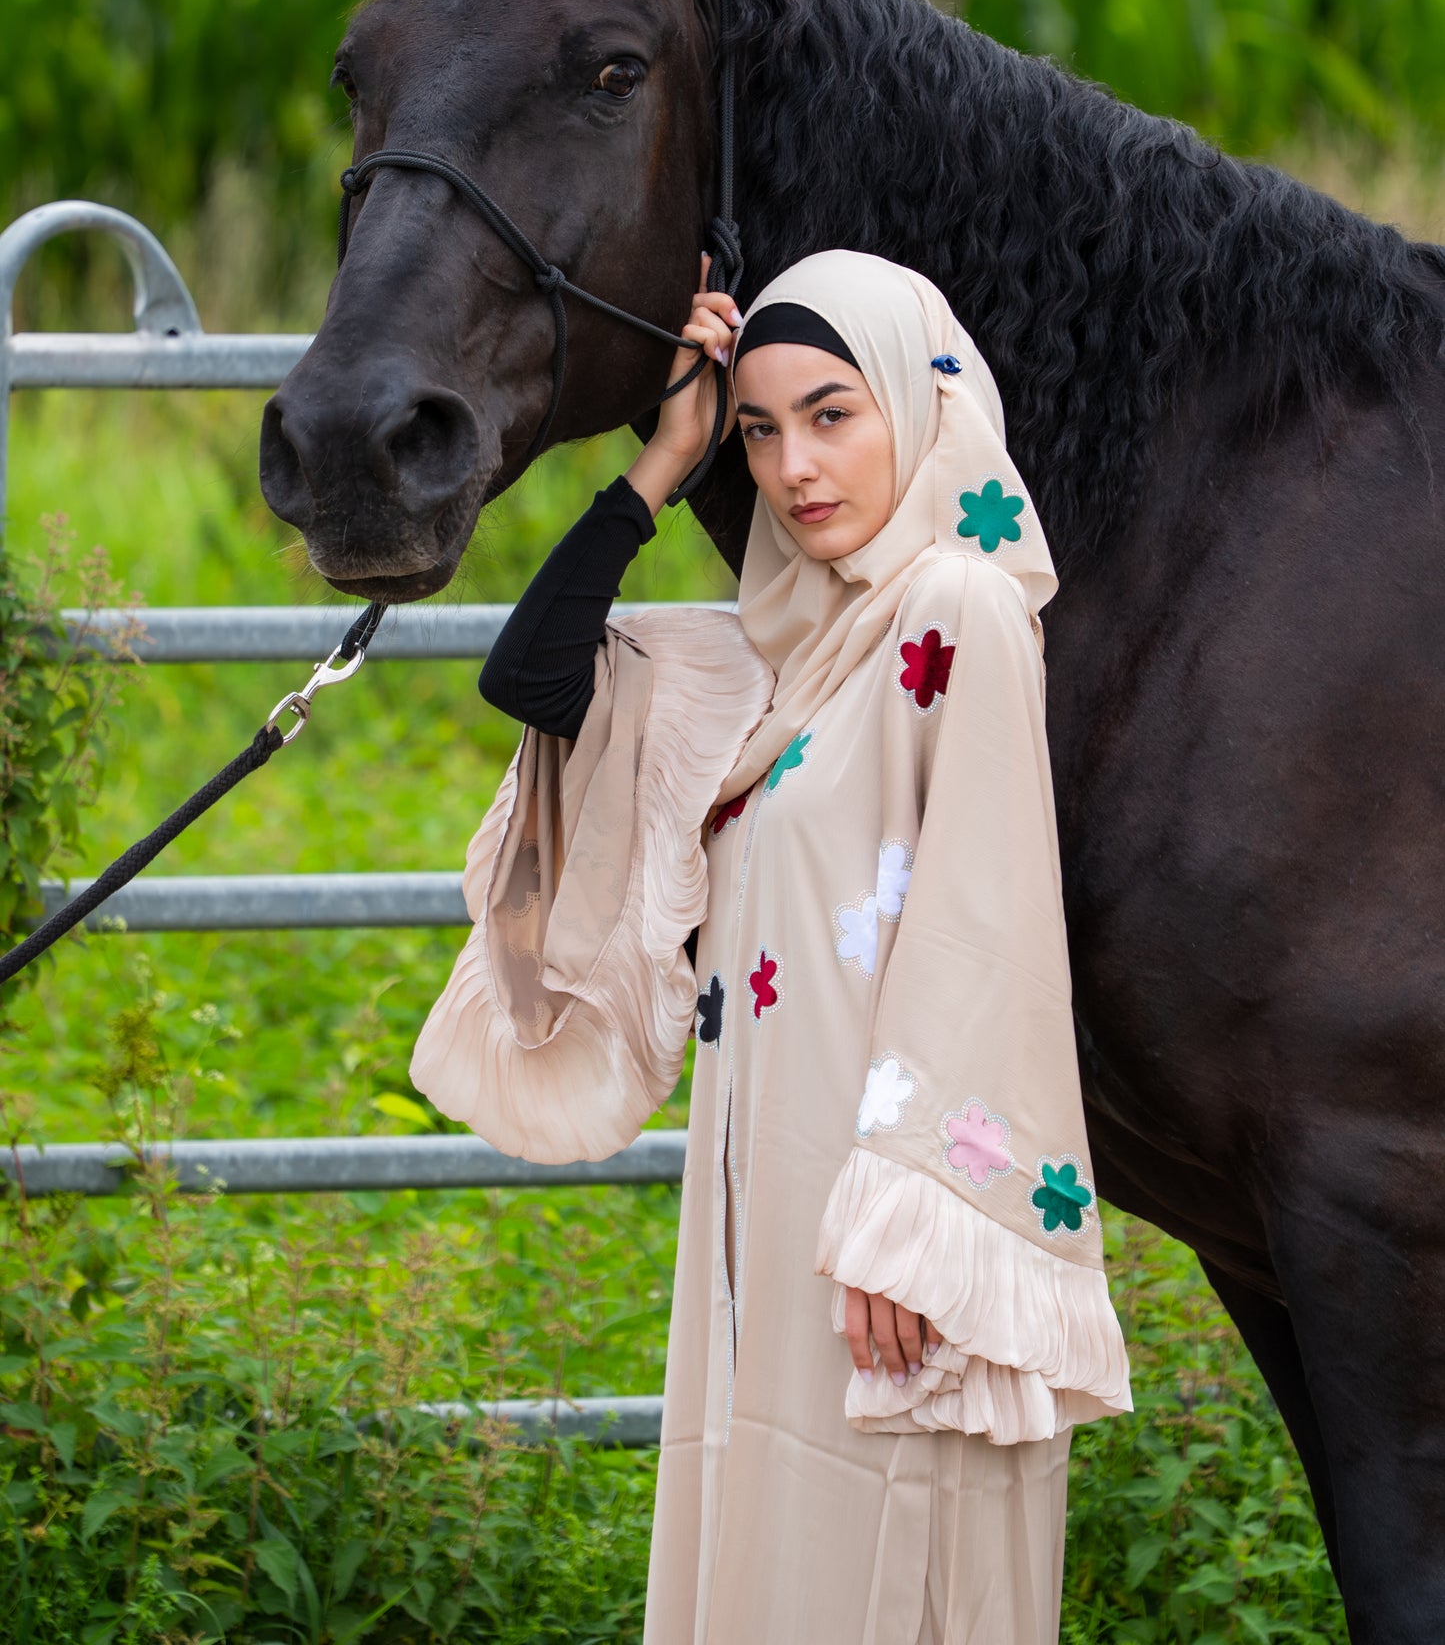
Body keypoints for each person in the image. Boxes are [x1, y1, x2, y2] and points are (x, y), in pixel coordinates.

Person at [411, 250, 1132, 1645]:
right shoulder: (779, 657)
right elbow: (539, 678)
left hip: (880, 1249)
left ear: (921, 411)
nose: (794, 467)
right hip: (766, 1223)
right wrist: (667, 457)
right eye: (762, 430)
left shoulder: (954, 610)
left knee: (879, 1569)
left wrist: (911, 1223)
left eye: (830, 415)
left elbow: (983, 927)